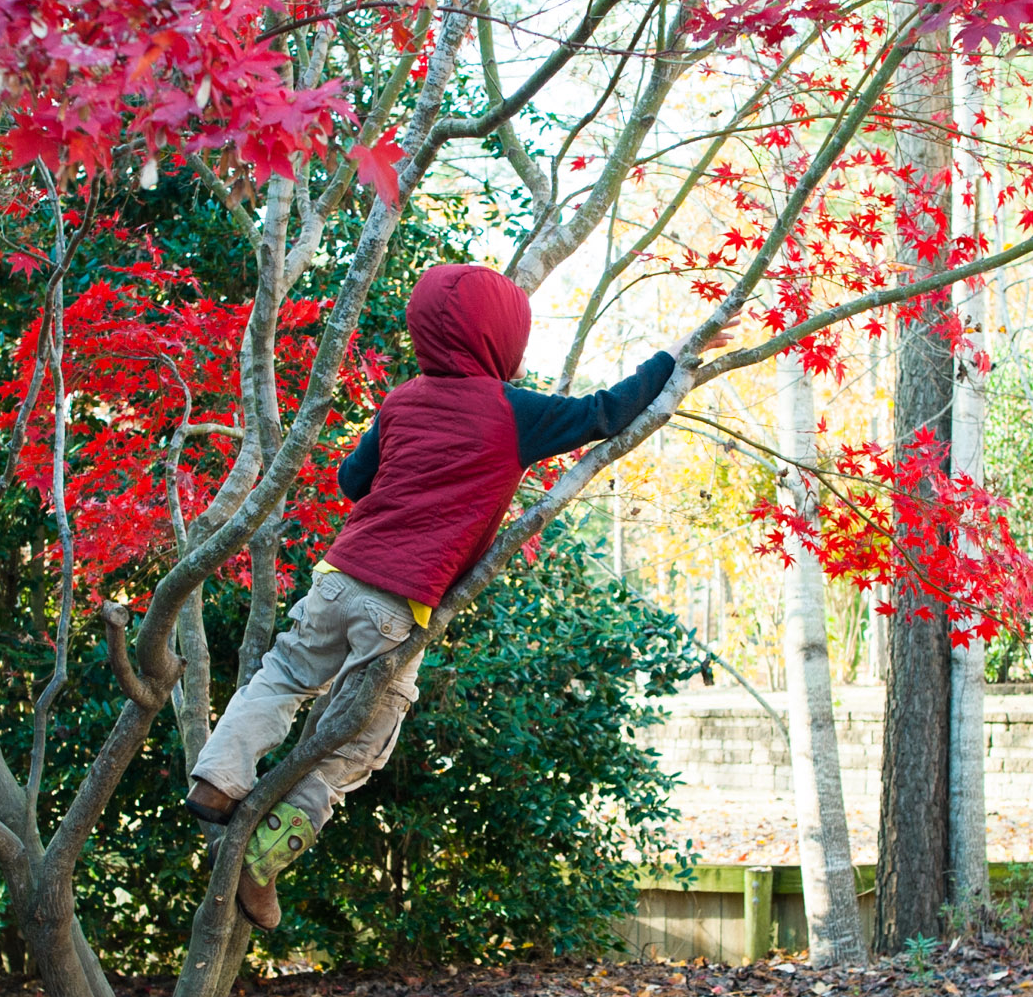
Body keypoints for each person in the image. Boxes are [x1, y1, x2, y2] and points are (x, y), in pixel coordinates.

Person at [185, 263, 676, 929]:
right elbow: (604, 412)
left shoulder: (403, 401)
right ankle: (263, 862)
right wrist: (670, 360)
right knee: (355, 742)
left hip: (339, 577)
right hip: (399, 605)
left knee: (284, 675)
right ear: (502, 338)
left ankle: (217, 778)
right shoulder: (513, 411)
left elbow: (353, 481)